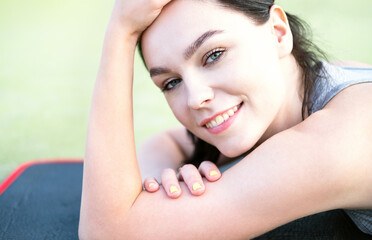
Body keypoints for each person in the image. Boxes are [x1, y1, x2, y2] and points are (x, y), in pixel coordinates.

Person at [79, 0, 372, 239]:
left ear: (278, 32)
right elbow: (166, 141)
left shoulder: (343, 137)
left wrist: (120, 32)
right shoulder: (316, 85)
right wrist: (162, 184)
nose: (195, 98)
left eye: (214, 55)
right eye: (171, 82)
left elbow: (107, 233)